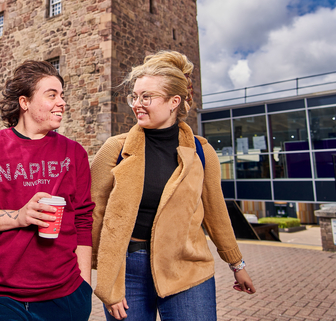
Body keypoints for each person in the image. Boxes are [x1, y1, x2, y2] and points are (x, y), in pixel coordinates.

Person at [91, 51, 256, 321]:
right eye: (135, 96)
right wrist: (105, 278)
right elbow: (93, 212)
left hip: (187, 267)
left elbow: (216, 213)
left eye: (147, 97)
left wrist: (237, 264)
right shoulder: (115, 148)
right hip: (128, 271)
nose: (137, 104)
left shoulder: (202, 152)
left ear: (173, 102)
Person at [0, 60, 94, 321]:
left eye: (62, 95)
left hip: (66, 295)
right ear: (24, 102)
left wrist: (84, 286)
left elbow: (84, 219)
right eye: (51, 95)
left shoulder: (75, 153)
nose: (61, 102)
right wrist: (19, 216)